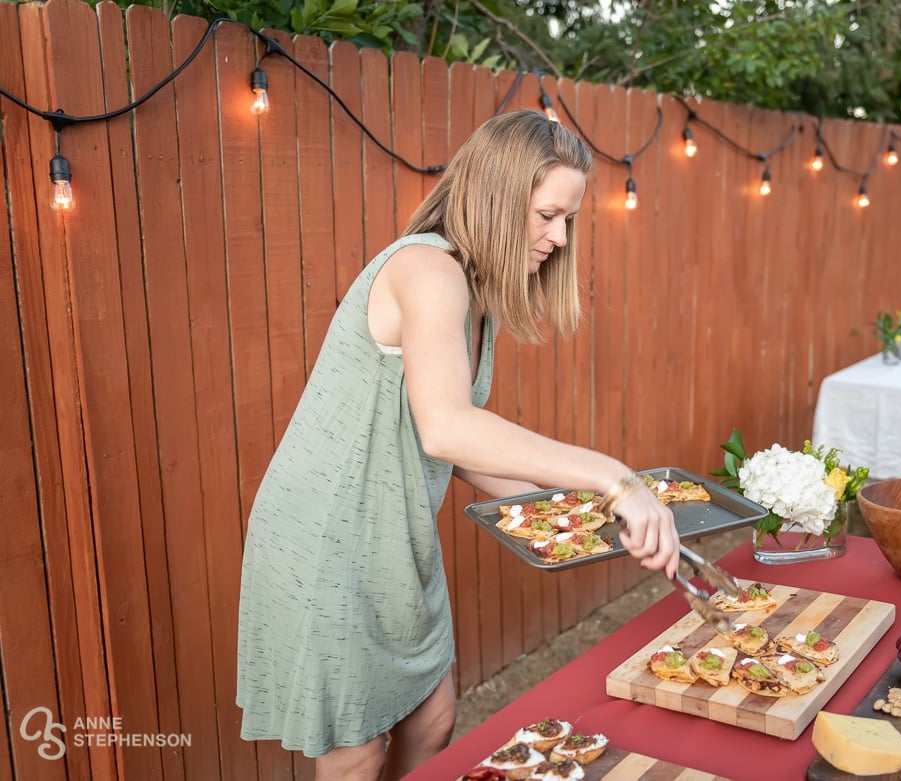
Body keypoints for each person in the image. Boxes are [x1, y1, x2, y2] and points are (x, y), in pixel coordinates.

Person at [235, 110, 680, 781]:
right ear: (498, 196)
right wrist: (615, 476)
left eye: (569, 220)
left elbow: (456, 450)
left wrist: (591, 518)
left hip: (394, 536)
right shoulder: (426, 270)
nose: (560, 238)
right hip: (327, 537)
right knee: (356, 752)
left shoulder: (473, 295)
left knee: (434, 716)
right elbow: (448, 424)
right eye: (548, 214)